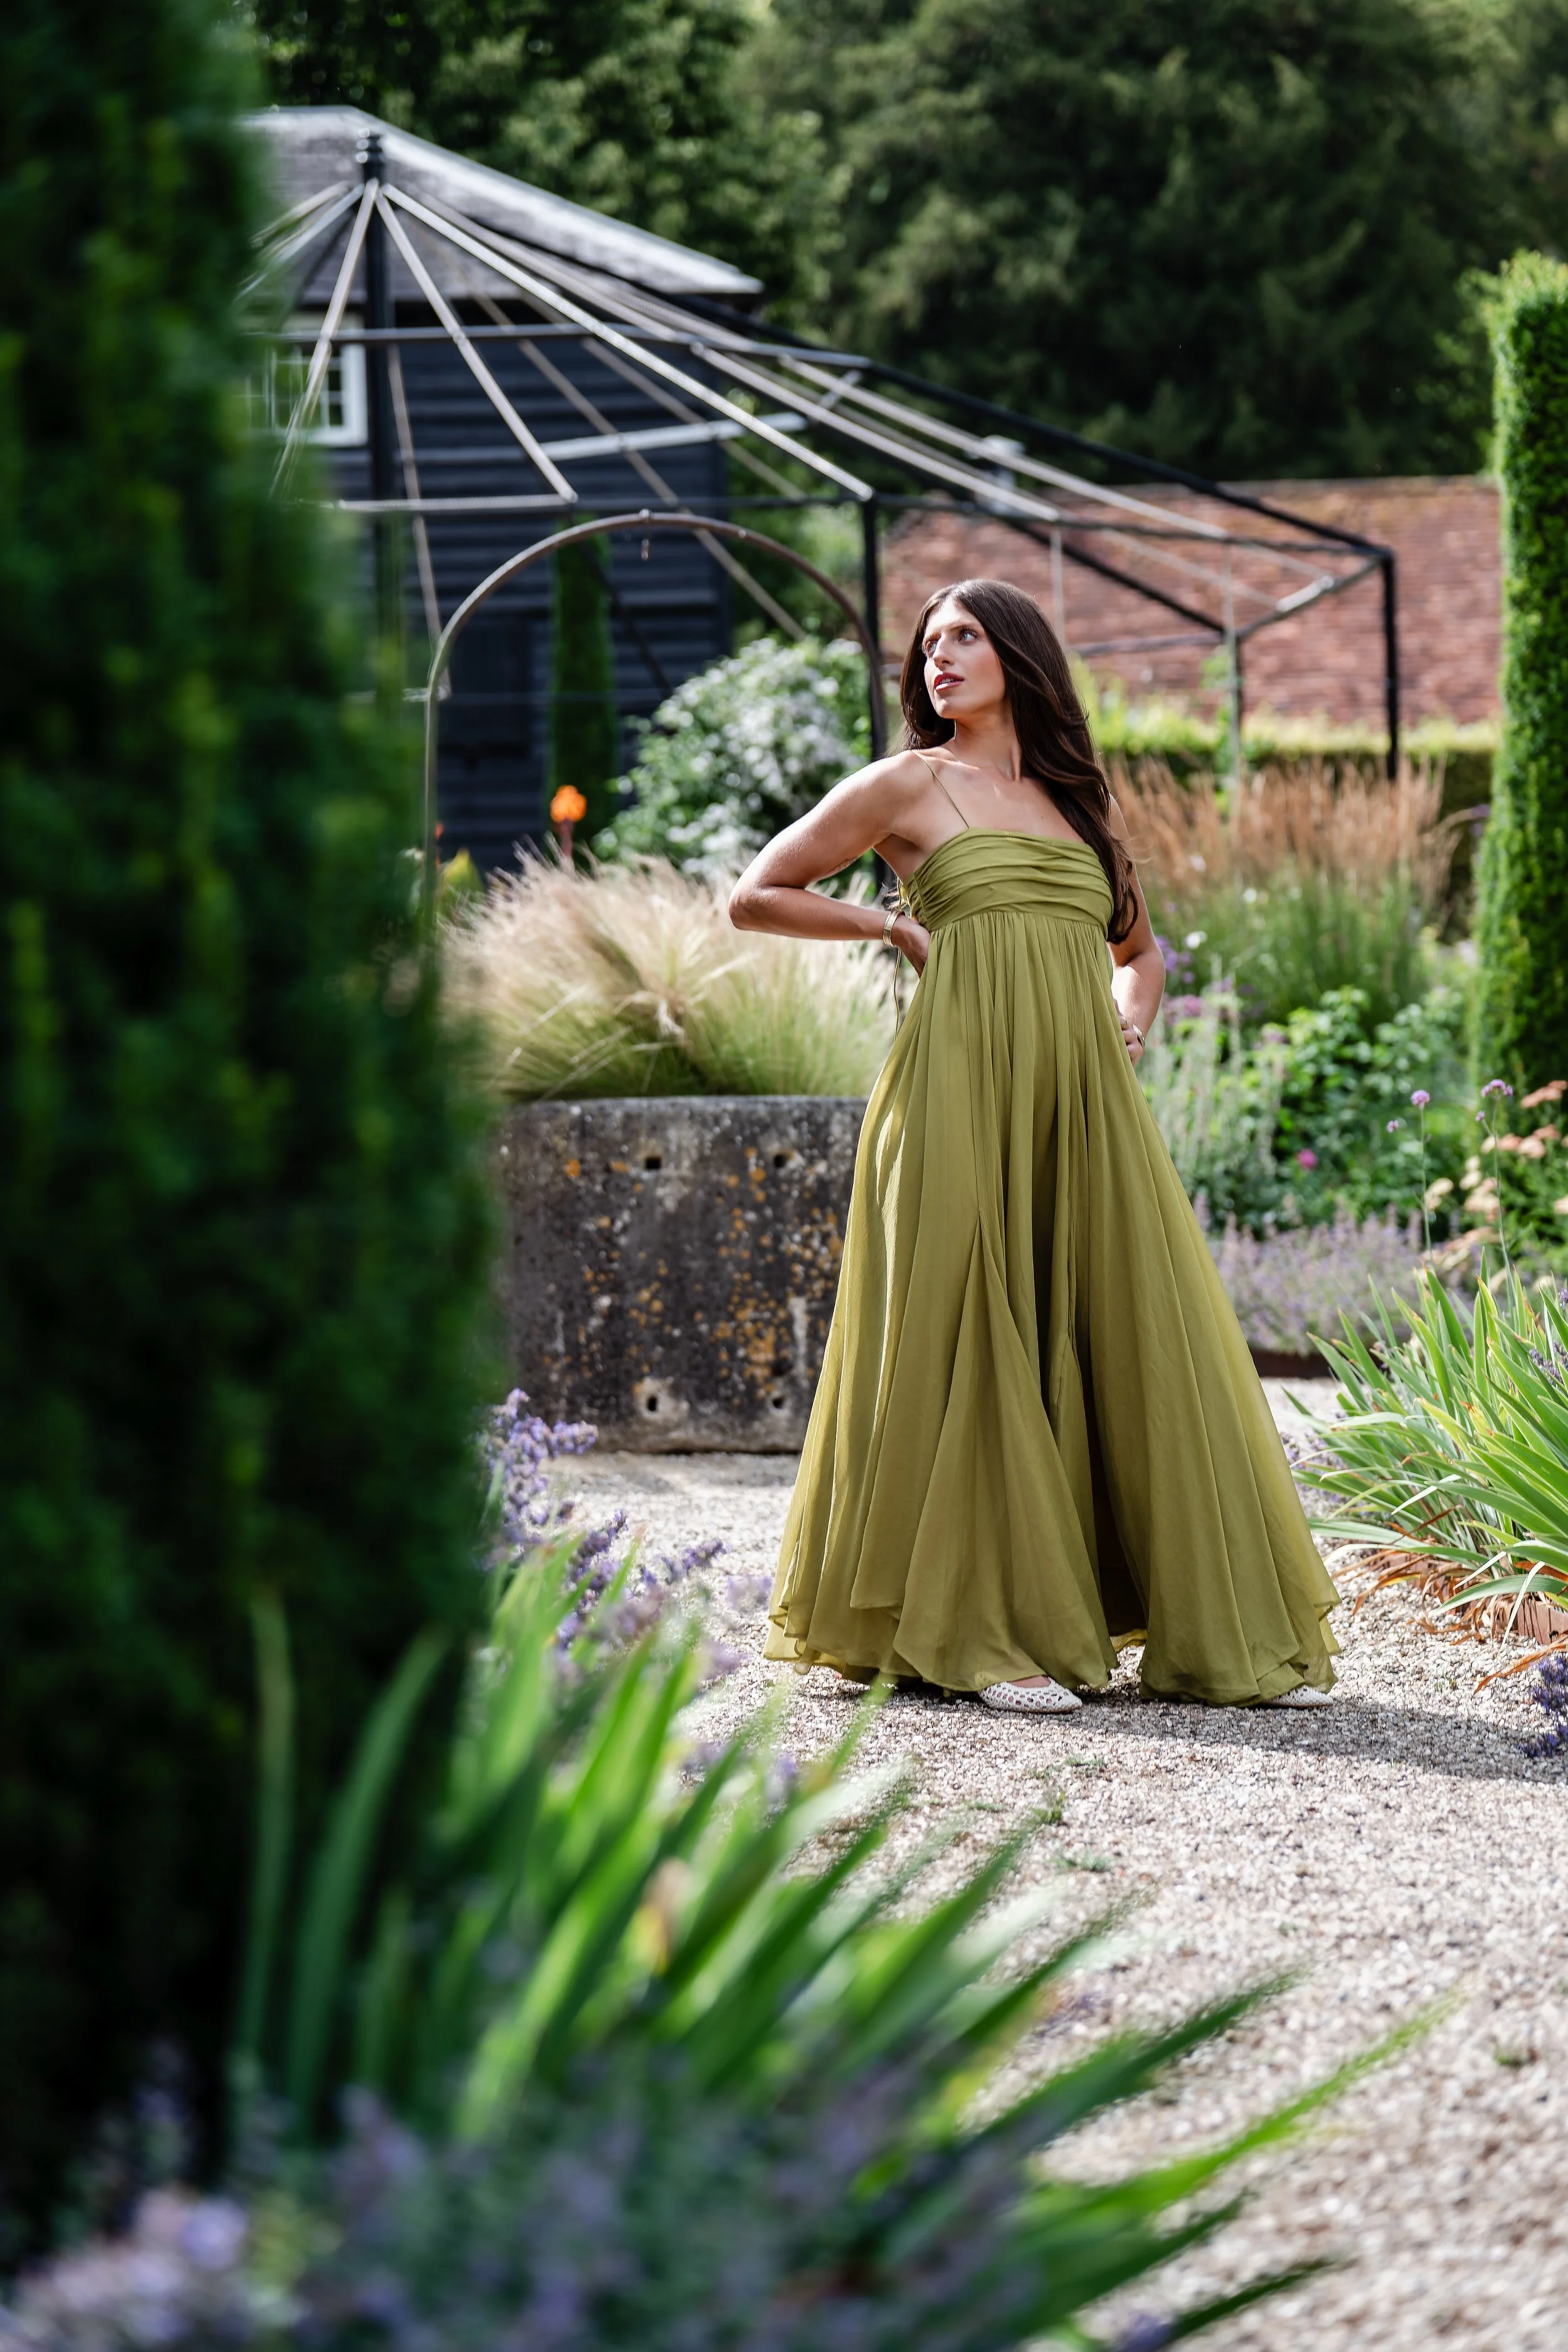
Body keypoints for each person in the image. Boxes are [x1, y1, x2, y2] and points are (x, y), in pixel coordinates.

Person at [728, 578, 1339, 1714]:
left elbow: (1141, 952)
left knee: (1123, 1328)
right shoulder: (906, 783)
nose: (937, 658)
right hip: (954, 1092)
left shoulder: (1082, 805)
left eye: (962, 637)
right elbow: (755, 895)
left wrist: (1132, 1018)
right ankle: (971, 1626)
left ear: (1021, 652)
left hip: (1081, 1101)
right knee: (966, 1334)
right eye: (926, 645)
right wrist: (889, 922)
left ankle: (1152, 1610)